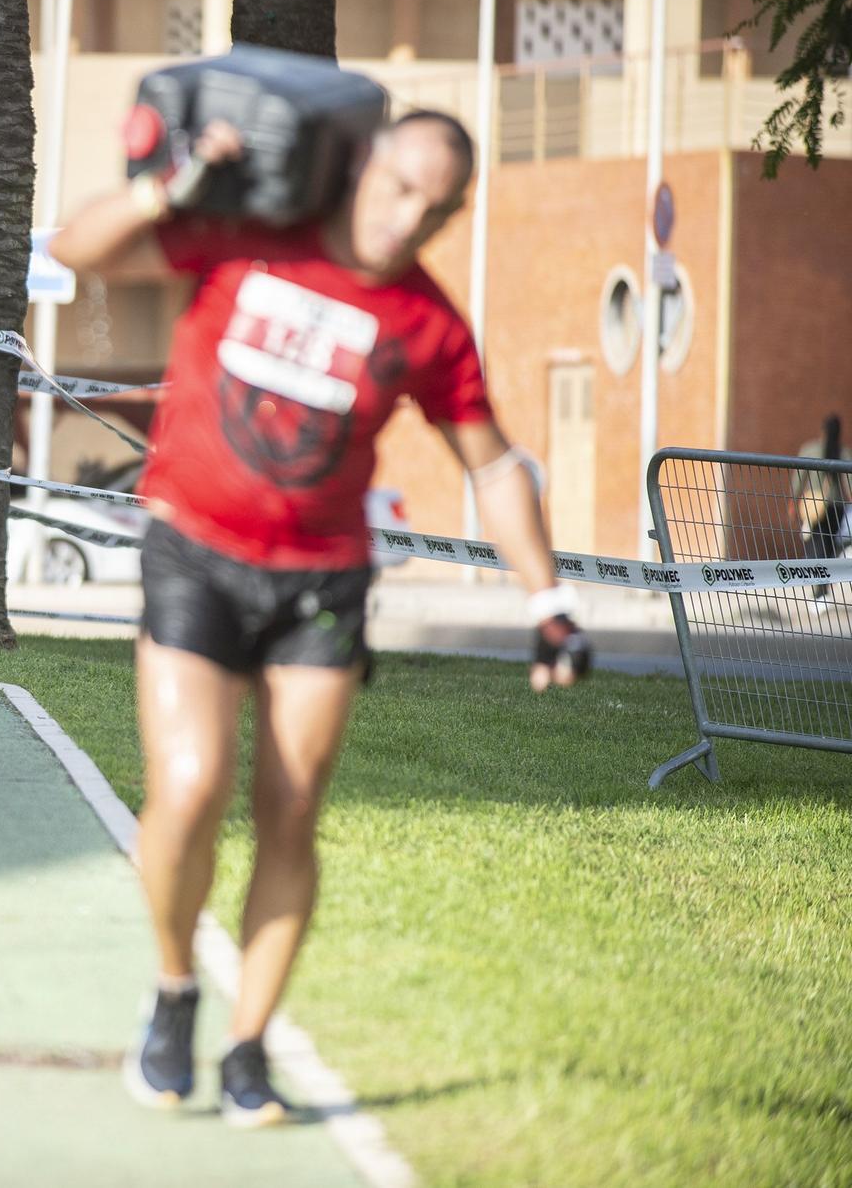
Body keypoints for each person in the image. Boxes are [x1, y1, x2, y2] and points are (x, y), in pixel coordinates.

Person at [51, 110, 592, 1126]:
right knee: (188, 783)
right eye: (395, 185)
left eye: (433, 207)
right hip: (194, 552)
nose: (405, 217)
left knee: (289, 810)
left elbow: (494, 466)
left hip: (319, 583)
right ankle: (174, 990)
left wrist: (548, 599)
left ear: (452, 212)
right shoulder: (251, 233)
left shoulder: (428, 324)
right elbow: (76, 251)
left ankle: (248, 1044)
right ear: (359, 165)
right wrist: (168, 182)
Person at [794, 413, 849, 604]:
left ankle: (818, 590)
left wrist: (793, 501)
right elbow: (849, 485)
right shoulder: (843, 453)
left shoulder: (810, 449)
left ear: (822, 430)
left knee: (815, 545)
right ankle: (823, 589)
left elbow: (798, 479)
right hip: (836, 507)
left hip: (813, 506)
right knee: (829, 546)